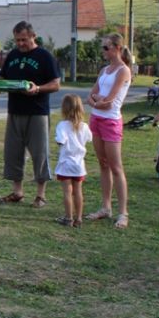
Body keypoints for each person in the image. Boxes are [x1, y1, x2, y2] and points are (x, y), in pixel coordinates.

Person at [0, 21, 61, 207]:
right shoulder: (13, 55)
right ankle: (17, 192)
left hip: (37, 112)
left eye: (24, 39)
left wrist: (38, 88)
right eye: (17, 40)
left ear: (33, 36)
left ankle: (41, 195)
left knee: (39, 153)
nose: (20, 43)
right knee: (13, 152)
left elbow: (56, 84)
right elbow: (3, 77)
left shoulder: (44, 56)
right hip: (14, 111)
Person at [85, 32, 132, 229]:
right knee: (103, 164)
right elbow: (91, 96)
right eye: (102, 47)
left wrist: (98, 101)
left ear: (117, 48)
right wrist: (98, 101)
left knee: (116, 167)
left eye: (106, 47)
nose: (103, 51)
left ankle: (123, 213)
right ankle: (106, 207)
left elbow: (109, 102)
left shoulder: (123, 71)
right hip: (96, 119)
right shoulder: (104, 70)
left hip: (111, 122)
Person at [54, 94, 92, 228]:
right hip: (79, 164)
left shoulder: (62, 125)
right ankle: (79, 218)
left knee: (67, 192)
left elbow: (60, 140)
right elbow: (89, 139)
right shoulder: (84, 126)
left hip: (66, 164)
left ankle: (68, 218)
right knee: (78, 191)